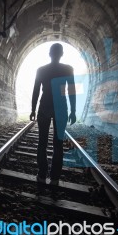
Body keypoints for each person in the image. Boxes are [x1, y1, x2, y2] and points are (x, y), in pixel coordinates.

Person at [30, 43, 76, 185]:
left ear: (49, 54)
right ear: (62, 54)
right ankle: (55, 178)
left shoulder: (41, 70)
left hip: (44, 107)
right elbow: (71, 91)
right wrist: (73, 111)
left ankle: (42, 175)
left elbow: (36, 91)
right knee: (58, 144)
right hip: (61, 107)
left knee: (42, 142)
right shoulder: (68, 69)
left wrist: (33, 109)